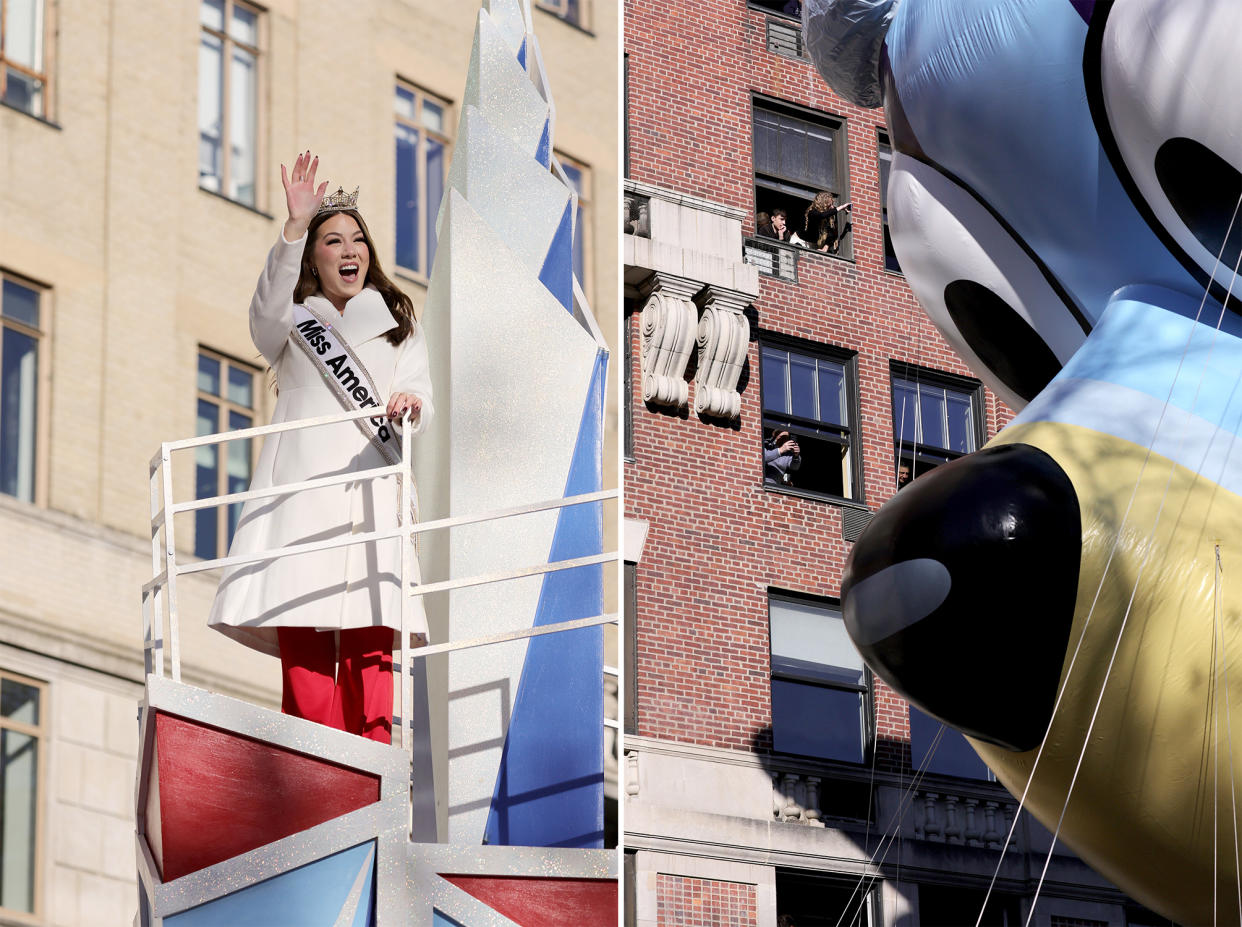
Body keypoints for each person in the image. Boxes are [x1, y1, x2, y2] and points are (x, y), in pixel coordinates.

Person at [207, 151, 434, 744]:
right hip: (300, 505)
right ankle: (316, 781)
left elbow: (420, 393)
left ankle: (373, 775)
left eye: (357, 240)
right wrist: (293, 226)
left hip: (369, 506)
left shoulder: (398, 325)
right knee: (305, 662)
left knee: (369, 659)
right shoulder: (292, 320)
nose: (350, 251)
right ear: (315, 256)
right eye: (333, 241)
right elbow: (260, 319)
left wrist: (410, 404)